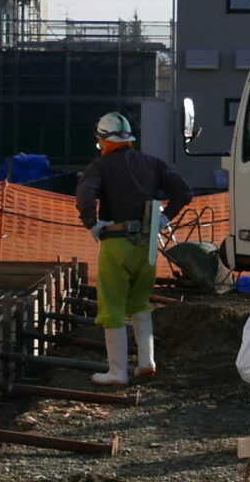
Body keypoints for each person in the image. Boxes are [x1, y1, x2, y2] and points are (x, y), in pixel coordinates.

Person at [75, 110, 192, 384]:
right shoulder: (152, 163)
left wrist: (92, 222)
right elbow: (184, 191)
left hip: (117, 243)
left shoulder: (99, 167)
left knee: (112, 306)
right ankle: (146, 363)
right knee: (140, 303)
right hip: (147, 245)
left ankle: (116, 372)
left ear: (103, 140)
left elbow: (85, 195)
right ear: (129, 139)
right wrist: (164, 218)